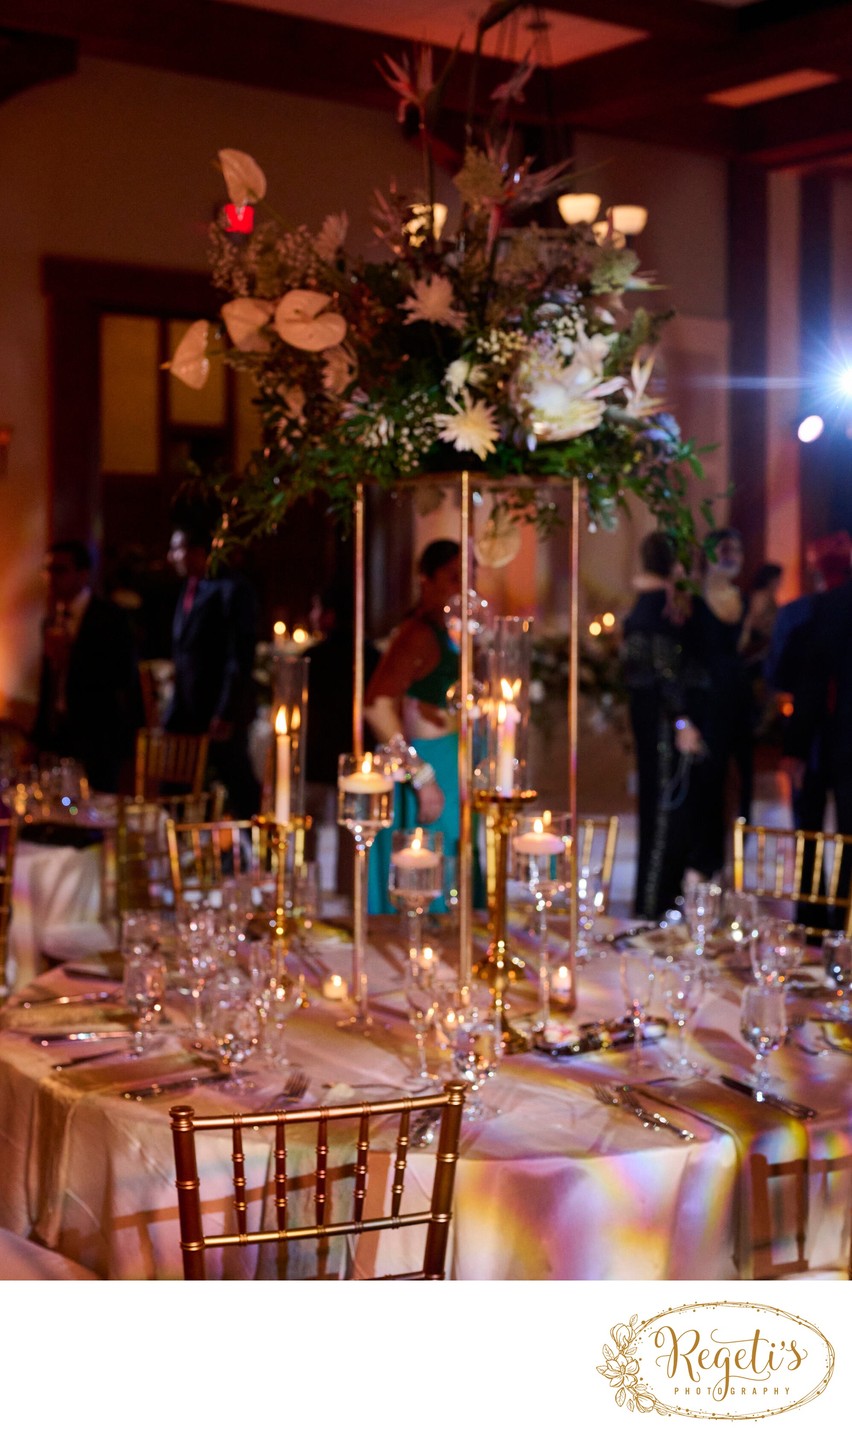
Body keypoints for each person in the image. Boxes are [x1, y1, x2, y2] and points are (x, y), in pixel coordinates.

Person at [364, 539, 463, 915]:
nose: (462, 587)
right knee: (428, 877)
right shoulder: (417, 633)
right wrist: (420, 775)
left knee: (450, 867)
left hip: (451, 761)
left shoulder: (446, 632)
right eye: (453, 577)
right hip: (431, 764)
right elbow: (375, 705)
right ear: (428, 580)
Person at [621, 532, 706, 920]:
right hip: (661, 725)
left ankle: (659, 902)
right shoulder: (655, 608)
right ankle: (655, 907)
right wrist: (682, 719)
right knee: (663, 813)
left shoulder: (652, 604)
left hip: (656, 719)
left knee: (666, 812)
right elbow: (662, 672)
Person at [31, 540, 143, 793]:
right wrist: (38, 736)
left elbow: (123, 676)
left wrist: (73, 654)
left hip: (98, 734)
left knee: (94, 809)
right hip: (59, 731)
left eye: (59, 570)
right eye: (47, 570)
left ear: (83, 574)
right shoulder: (51, 619)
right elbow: (48, 683)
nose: (51, 577)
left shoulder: (110, 618)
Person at [165, 524, 260, 819]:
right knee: (174, 787)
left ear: (198, 552)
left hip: (218, 708)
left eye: (178, 549)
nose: (172, 557)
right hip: (187, 708)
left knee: (238, 782)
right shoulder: (188, 588)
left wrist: (225, 711)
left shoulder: (232, 589)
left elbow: (238, 656)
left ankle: (256, 845)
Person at [303, 579, 380, 894]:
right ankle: (350, 897)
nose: (312, 615)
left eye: (316, 608)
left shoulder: (314, 657)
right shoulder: (372, 654)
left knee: (306, 832)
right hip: (358, 758)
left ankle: (306, 893)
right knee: (353, 834)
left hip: (318, 757)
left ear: (330, 615)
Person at [688, 527, 753, 878]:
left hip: (738, 699)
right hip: (707, 703)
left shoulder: (742, 599)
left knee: (742, 783)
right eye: (725, 550)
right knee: (708, 783)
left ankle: (736, 865)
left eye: (737, 550)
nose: (732, 557)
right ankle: (705, 864)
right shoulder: (694, 601)